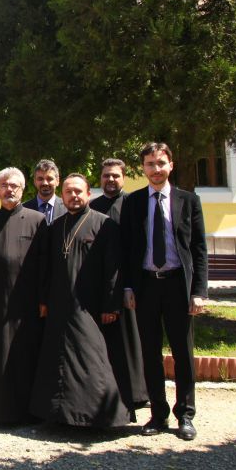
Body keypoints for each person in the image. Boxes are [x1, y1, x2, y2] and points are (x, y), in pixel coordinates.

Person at [120, 143, 207, 441]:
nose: (155, 169)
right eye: (149, 164)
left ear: (170, 165)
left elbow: (199, 250)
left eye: (160, 163)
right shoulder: (133, 203)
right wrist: (128, 286)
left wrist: (199, 291)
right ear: (143, 168)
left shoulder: (189, 201)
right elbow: (129, 249)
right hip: (145, 285)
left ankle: (185, 414)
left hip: (177, 286)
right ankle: (158, 414)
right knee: (150, 352)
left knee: (183, 353)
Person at [30, 174, 130, 428]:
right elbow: (46, 268)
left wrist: (111, 304)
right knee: (56, 359)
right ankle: (58, 415)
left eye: (78, 192)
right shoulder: (55, 226)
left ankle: (97, 416)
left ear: (88, 194)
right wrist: (43, 299)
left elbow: (113, 269)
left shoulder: (104, 225)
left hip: (90, 305)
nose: (73, 196)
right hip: (58, 304)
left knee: (91, 359)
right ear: (62, 196)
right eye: (68, 192)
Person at [0, 168, 47, 424]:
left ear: (23, 188)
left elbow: (43, 264)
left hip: (26, 302)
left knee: (24, 354)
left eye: (14, 185)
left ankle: (26, 412)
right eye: (4, 185)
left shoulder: (37, 220)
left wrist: (43, 299)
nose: (9, 189)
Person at [89, 159, 149, 418]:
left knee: (132, 341)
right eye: (105, 176)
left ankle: (137, 394)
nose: (110, 180)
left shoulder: (134, 204)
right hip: (102, 284)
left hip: (130, 283)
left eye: (115, 176)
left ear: (123, 177)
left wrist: (130, 284)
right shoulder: (94, 207)